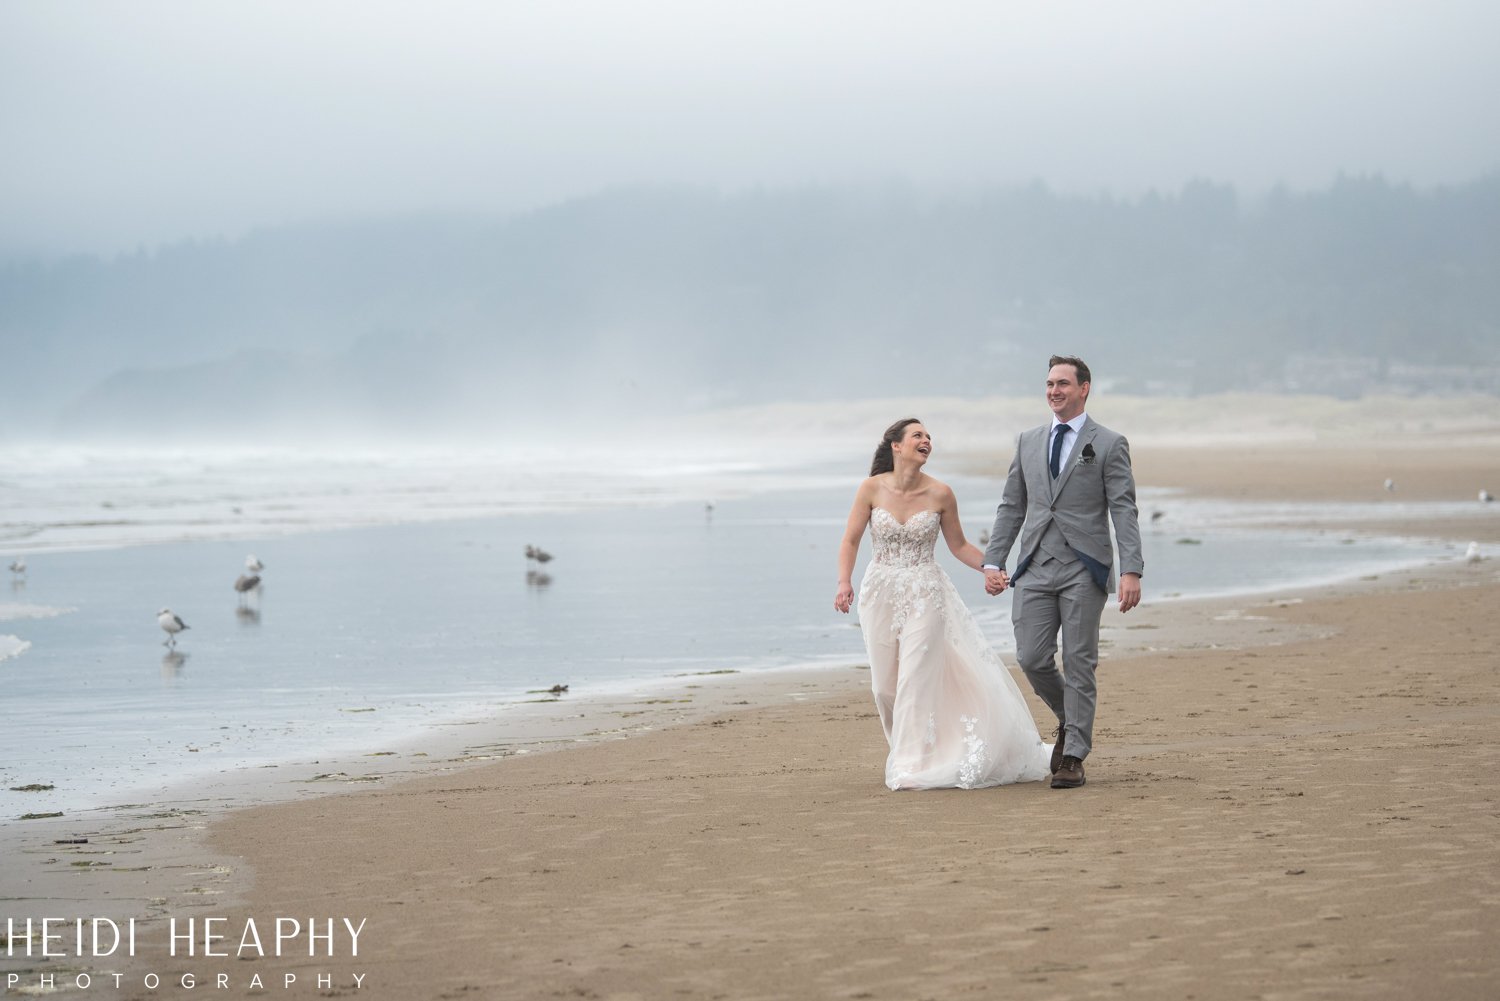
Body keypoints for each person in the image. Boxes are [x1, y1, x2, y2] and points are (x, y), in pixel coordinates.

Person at [835, 418, 1051, 791]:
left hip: (926, 592)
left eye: (929, 436)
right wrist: (844, 582)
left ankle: (910, 765)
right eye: (917, 435)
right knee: (885, 688)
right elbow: (851, 539)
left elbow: (959, 546)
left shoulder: (941, 494)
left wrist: (991, 567)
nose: (926, 440)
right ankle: (909, 750)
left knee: (916, 678)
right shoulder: (871, 488)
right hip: (880, 592)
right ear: (896, 447)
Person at [982, 355, 1143, 790]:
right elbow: (1012, 506)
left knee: (1079, 662)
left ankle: (1073, 755)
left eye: (1063, 384)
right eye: (1049, 383)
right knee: (1031, 657)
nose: (1054, 391)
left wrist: (1132, 570)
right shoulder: (1028, 441)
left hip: (1084, 568)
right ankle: (1070, 719)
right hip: (1033, 565)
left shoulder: (1109, 443)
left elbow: (1123, 510)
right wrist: (994, 560)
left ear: (1084, 388)